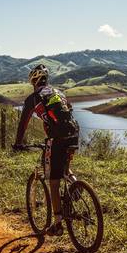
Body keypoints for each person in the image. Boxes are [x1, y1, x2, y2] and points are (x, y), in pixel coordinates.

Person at [13, 64, 80, 237]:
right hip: (74, 133)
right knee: (64, 168)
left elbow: (23, 123)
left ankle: (57, 225)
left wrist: (18, 143)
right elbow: (69, 112)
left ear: (33, 81)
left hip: (57, 139)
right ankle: (76, 185)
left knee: (54, 181)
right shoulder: (59, 93)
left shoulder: (33, 98)